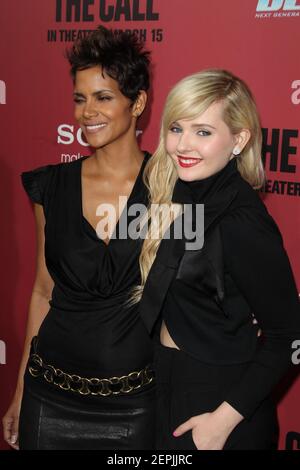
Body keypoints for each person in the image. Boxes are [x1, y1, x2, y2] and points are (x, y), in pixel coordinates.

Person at [2, 26, 156, 450]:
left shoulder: (169, 187)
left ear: (137, 103)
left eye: (103, 97)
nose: (87, 111)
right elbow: (42, 291)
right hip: (48, 396)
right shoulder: (51, 188)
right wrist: (19, 391)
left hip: (135, 406)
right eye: (80, 98)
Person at [135, 69, 300, 450]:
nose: (183, 145)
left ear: (239, 139)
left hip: (218, 408)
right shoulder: (173, 191)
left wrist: (222, 422)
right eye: (176, 128)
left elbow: (289, 336)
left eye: (203, 132)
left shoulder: (242, 221)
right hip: (164, 387)